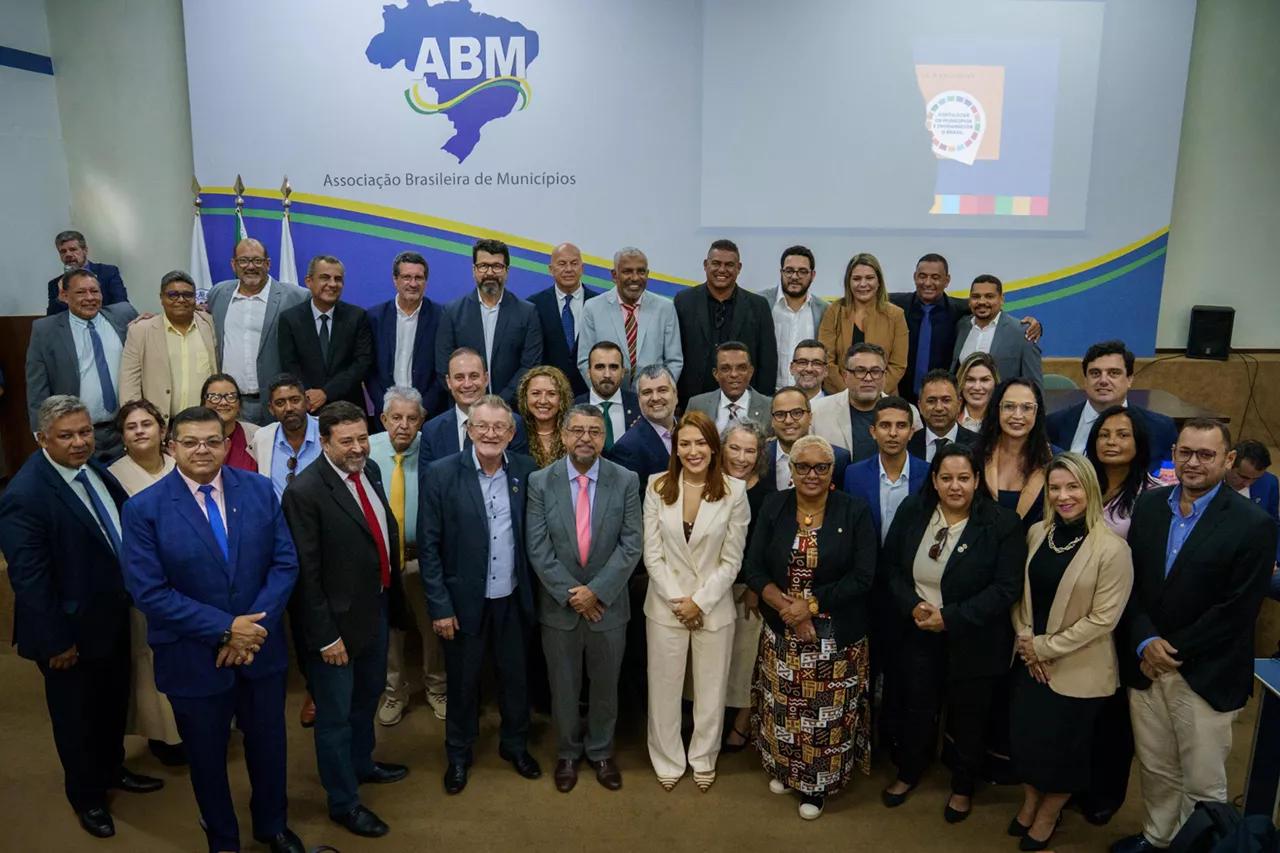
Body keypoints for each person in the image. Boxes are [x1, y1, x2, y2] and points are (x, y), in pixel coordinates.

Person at [119, 405, 303, 853]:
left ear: (226, 444)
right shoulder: (144, 509)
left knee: (269, 746)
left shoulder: (260, 490)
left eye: (212, 441)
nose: (202, 450)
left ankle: (272, 826)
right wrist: (226, 630)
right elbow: (150, 593)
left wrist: (250, 632)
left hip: (260, 650)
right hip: (193, 656)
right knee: (206, 757)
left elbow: (284, 563)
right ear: (172, 447)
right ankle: (223, 840)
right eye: (191, 442)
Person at [0, 396, 163, 840]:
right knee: (76, 719)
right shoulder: (25, 495)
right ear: (41, 439)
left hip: (107, 619)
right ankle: (86, 798)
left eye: (85, 431)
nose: (79, 442)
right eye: (66, 436)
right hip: (66, 636)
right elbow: (29, 579)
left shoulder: (94, 470)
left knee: (111, 705)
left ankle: (112, 770)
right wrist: (56, 642)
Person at [1112, 420, 1276, 853]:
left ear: (1228, 460)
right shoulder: (1148, 508)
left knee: (1202, 779)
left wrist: (1172, 651)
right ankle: (1158, 837)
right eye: (1185, 453)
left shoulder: (1253, 524)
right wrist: (1146, 641)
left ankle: (1197, 846)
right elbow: (1131, 584)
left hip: (1206, 674)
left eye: (1206, 455)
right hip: (1147, 665)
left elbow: (1238, 609)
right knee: (1156, 766)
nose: (1193, 463)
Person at [281, 401, 408, 839]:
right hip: (333, 629)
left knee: (367, 696)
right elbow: (306, 576)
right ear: (324, 441)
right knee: (334, 717)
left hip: (373, 611)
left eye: (361, 438)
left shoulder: (368, 471)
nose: (357, 448)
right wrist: (324, 637)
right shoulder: (305, 492)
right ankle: (343, 803)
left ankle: (361, 764)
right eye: (346, 441)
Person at [880, 444, 1026, 822]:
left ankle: (962, 788)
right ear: (934, 480)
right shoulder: (914, 511)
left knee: (969, 718)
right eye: (946, 478)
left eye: (964, 478)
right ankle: (909, 773)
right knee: (917, 709)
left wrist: (949, 617)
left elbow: (1005, 589)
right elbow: (891, 568)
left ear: (978, 480)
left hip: (974, 639)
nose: (955, 486)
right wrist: (912, 605)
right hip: (916, 631)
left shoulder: (1002, 524)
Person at [743, 435, 877, 820]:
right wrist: (784, 606)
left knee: (824, 715)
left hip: (835, 640)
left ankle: (816, 786)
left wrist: (811, 607)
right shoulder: (774, 506)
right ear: (791, 470)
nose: (812, 474)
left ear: (833, 472)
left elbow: (863, 577)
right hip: (782, 630)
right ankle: (785, 770)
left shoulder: (854, 512)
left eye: (821, 467)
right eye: (803, 466)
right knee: (783, 707)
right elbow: (753, 567)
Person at [1010, 453, 1134, 851]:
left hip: (1079, 666)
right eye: (1055, 487)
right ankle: (1030, 803)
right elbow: (1022, 596)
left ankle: (1048, 814)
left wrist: (1044, 647)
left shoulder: (1112, 549)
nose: (1063, 496)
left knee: (1066, 752)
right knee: (1028, 742)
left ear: (1090, 489)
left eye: (1072, 487)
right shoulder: (1038, 533)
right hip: (1031, 663)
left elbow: (1104, 619)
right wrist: (1027, 639)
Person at [419, 395, 542, 793]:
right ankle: (458, 754)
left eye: (499, 428)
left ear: (511, 433)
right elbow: (429, 546)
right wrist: (439, 606)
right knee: (463, 682)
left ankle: (515, 745)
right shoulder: (440, 474)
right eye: (482, 426)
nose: (490, 434)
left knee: (515, 679)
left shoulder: (527, 470)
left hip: (512, 597)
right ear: (469, 430)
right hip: (461, 602)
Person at [526, 404, 642, 793]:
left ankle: (602, 751)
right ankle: (567, 753)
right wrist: (572, 594)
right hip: (560, 608)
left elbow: (631, 544)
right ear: (563, 435)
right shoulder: (540, 482)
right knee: (563, 687)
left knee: (606, 686)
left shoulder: (625, 479)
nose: (585, 438)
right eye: (577, 430)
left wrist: (597, 592)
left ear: (604, 438)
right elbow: (537, 548)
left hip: (608, 606)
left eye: (594, 431)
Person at [643, 411, 750, 791]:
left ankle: (704, 757)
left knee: (710, 690)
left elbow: (732, 559)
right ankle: (668, 758)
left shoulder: (735, 491)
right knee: (664, 689)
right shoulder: (656, 486)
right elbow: (652, 555)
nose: (693, 451)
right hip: (666, 606)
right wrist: (678, 600)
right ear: (675, 447)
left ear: (713, 447)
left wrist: (699, 602)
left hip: (713, 607)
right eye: (685, 443)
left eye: (701, 442)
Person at [1080, 405, 1158, 825]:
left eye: (1122, 435)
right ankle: (1073, 783)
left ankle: (1104, 794)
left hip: (1120, 620)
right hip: (1075, 617)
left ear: (1137, 443)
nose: (1112, 442)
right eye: (1104, 434)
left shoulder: (1150, 495)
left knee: (1113, 714)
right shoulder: (1080, 485)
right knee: (1079, 709)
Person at [107, 400, 184, 766]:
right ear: (122, 436)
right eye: (131, 426)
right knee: (151, 656)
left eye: (147, 423)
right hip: (146, 585)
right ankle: (165, 736)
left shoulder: (180, 466)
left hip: (192, 579)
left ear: (162, 429)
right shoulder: (113, 476)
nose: (140, 431)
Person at [365, 387, 447, 726]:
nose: (403, 425)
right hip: (381, 557)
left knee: (434, 628)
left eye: (412, 418)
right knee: (390, 632)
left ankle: (437, 688)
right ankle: (394, 691)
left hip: (422, 557)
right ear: (383, 419)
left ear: (422, 421)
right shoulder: (368, 449)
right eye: (396, 417)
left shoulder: (432, 452)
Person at [889, 253, 1040, 403]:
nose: (928, 283)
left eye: (935, 277)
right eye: (922, 276)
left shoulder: (958, 311)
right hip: (899, 398)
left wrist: (1036, 325)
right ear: (915, 277)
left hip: (944, 402)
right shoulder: (894, 306)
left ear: (947, 280)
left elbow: (992, 313)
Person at [26, 268, 138, 462]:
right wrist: (40, 431)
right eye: (80, 292)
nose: (89, 297)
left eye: (95, 291)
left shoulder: (124, 315)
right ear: (64, 295)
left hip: (125, 428)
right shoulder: (45, 330)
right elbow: (37, 385)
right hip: (78, 435)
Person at [206, 237, 310, 424]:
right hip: (230, 404)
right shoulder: (219, 293)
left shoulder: (297, 297)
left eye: (257, 261)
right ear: (233, 264)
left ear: (268, 264)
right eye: (243, 261)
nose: (250, 266)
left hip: (276, 402)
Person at [435, 238, 544, 404]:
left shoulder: (527, 312)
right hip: (465, 410)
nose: (490, 273)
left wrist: (498, 403)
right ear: (474, 270)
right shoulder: (452, 312)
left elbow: (530, 366)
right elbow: (444, 367)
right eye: (483, 266)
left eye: (497, 266)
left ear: (507, 271)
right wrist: (471, 401)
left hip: (510, 410)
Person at [719, 419, 771, 752]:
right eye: (735, 448)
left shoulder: (768, 492)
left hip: (746, 591)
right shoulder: (707, 483)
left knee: (744, 660)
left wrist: (754, 587)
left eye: (750, 450)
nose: (741, 457)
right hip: (711, 588)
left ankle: (740, 724)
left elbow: (766, 549)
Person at [1046, 340, 1177, 472]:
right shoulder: (1053, 424)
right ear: (1085, 380)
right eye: (1095, 373)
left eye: (1113, 373)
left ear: (1129, 379)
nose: (1103, 381)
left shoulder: (1160, 428)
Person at [674, 239, 778, 400]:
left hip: (745, 403)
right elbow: (675, 354)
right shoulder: (683, 301)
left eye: (729, 265)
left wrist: (762, 403)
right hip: (692, 401)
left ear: (739, 268)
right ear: (705, 265)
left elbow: (767, 361)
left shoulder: (758, 306)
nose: (722, 270)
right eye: (716, 263)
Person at [277, 255, 374, 412]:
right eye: (325, 278)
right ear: (309, 281)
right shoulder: (290, 319)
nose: (332, 284)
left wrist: (325, 393)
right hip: (306, 407)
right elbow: (290, 365)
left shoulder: (357, 316)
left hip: (349, 407)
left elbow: (361, 364)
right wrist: (308, 396)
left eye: (338, 279)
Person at [579, 247, 683, 391]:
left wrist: (658, 392)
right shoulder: (593, 308)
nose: (635, 278)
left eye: (640, 271)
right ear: (614, 275)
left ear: (647, 274)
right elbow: (585, 361)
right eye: (627, 271)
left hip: (652, 400)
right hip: (608, 397)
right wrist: (604, 394)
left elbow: (674, 361)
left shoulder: (665, 308)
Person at [118, 270, 218, 417]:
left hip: (204, 421)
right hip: (160, 423)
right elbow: (129, 383)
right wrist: (137, 420)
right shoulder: (140, 331)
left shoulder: (209, 324)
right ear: (161, 298)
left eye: (188, 295)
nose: (181, 300)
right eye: (173, 295)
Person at [365, 250, 447, 420]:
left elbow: (443, 370)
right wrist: (385, 408)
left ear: (426, 281)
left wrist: (423, 409)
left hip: (428, 415)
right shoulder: (375, 317)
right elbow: (369, 370)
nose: (413, 283)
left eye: (419, 278)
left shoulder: (442, 317)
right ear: (395, 280)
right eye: (406, 277)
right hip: (385, 416)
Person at [817, 252, 908, 396]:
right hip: (837, 396)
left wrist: (874, 393)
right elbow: (826, 359)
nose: (863, 284)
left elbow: (898, 365)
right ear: (849, 282)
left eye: (869, 278)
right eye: (857, 279)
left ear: (879, 282)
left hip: (883, 398)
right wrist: (848, 394)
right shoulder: (834, 311)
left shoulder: (896, 315)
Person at [812, 342, 921, 462]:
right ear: (845, 376)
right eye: (860, 371)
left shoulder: (909, 412)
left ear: (884, 376)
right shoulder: (817, 411)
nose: (868, 378)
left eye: (875, 371)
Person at [421, 347, 529, 462]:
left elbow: (518, 473)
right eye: (459, 377)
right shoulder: (432, 430)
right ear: (448, 382)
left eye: (474, 376)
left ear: (486, 378)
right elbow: (428, 479)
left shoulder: (513, 423)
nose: (467, 384)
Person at [843, 396, 928, 543]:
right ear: (873, 432)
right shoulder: (854, 475)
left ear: (911, 432)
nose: (893, 433)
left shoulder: (928, 473)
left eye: (901, 425)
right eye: (885, 425)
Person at [977, 378, 1055, 528]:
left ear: (1037, 412)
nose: (1017, 415)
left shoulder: (1055, 461)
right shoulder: (975, 455)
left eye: (1026, 408)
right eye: (1009, 407)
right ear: (997, 409)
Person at [528, 242, 601, 398]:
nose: (569, 269)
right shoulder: (534, 305)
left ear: (582, 267)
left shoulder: (599, 304)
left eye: (574, 263)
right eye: (562, 264)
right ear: (551, 269)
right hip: (549, 396)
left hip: (590, 393)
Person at [951, 274, 1043, 388]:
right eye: (976, 296)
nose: (982, 302)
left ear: (1001, 299)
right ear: (969, 300)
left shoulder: (1022, 332)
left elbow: (1034, 385)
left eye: (989, 296)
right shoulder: (961, 326)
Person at [765, 246, 829, 392]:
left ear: (813, 275)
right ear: (781, 272)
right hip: (768, 395)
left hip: (809, 397)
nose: (794, 276)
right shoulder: (762, 303)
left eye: (802, 271)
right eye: (789, 271)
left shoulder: (825, 310)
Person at [763, 385, 851, 491]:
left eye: (797, 413)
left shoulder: (838, 458)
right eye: (780, 414)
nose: (788, 420)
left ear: (810, 417)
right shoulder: (760, 455)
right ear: (772, 421)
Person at [250, 374, 323, 500]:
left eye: (295, 400)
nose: (289, 408)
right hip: (280, 517)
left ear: (307, 402)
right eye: (280, 403)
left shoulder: (327, 431)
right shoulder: (262, 438)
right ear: (271, 409)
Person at [608, 364, 676, 491]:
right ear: (638, 400)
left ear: (675, 394)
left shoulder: (690, 431)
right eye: (647, 392)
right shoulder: (626, 448)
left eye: (662, 390)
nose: (655, 398)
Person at [684, 341, 772, 432]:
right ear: (716, 374)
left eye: (741, 368)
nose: (734, 374)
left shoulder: (769, 407)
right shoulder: (697, 405)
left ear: (750, 372)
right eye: (725, 369)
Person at [1225, 440, 1280, 579]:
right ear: (1229, 462)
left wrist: (1274, 558)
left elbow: (1274, 525)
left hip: (1259, 560)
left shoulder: (1269, 483)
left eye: (1255, 479)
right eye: (1242, 477)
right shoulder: (1210, 483)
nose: (1247, 484)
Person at [576, 341, 641, 451]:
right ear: (588, 372)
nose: (607, 374)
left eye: (613, 367)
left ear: (623, 372)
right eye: (600, 367)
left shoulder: (639, 405)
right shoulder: (574, 407)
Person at [46, 229, 128, 315]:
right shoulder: (55, 284)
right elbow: (51, 318)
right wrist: (60, 299)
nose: (68, 255)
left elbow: (121, 305)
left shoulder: (108, 273)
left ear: (85, 250)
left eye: (73, 249)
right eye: (63, 251)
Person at [910, 369, 980, 462]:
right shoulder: (908, 444)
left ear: (959, 404)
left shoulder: (979, 445)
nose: (939, 408)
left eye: (946, 400)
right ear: (920, 406)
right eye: (931, 401)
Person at [517, 365, 573, 468]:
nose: (543, 401)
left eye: (551, 394)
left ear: (562, 398)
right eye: (536, 393)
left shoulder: (573, 433)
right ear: (525, 397)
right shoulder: (515, 433)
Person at [202, 373, 259, 471]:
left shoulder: (257, 435)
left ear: (239, 403)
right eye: (215, 397)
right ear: (203, 403)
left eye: (231, 396)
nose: (223, 403)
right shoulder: (192, 437)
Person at [957, 351, 999, 433]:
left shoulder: (1004, 420)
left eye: (985, 380)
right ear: (960, 382)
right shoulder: (948, 418)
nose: (977, 387)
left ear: (995, 383)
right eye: (970, 379)